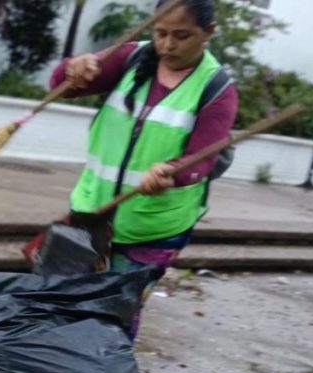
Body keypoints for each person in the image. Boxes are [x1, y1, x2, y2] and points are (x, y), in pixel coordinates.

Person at [51, 0, 237, 339]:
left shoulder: (216, 89)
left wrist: (173, 172)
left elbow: (204, 158)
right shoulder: (131, 57)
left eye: (182, 35)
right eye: (161, 33)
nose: (167, 45)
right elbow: (61, 85)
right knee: (64, 302)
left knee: (116, 315)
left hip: (152, 227)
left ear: (208, 32)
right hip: (92, 212)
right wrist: (72, 70)